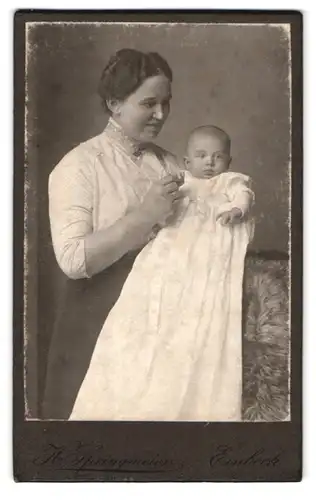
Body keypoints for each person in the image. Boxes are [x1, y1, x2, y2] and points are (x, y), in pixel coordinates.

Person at [69, 125, 255, 422]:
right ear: (187, 162)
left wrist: (237, 210)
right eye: (202, 155)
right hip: (175, 253)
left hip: (210, 249)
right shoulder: (181, 184)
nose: (209, 162)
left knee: (200, 311)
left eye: (218, 157)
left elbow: (244, 196)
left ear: (228, 163)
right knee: (151, 300)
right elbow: (161, 216)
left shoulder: (230, 182)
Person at [43, 48, 183, 419]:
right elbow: (73, 260)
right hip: (95, 317)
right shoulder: (79, 166)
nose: (160, 115)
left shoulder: (170, 163)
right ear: (114, 103)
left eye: (166, 103)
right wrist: (143, 217)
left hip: (159, 322)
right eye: (149, 103)